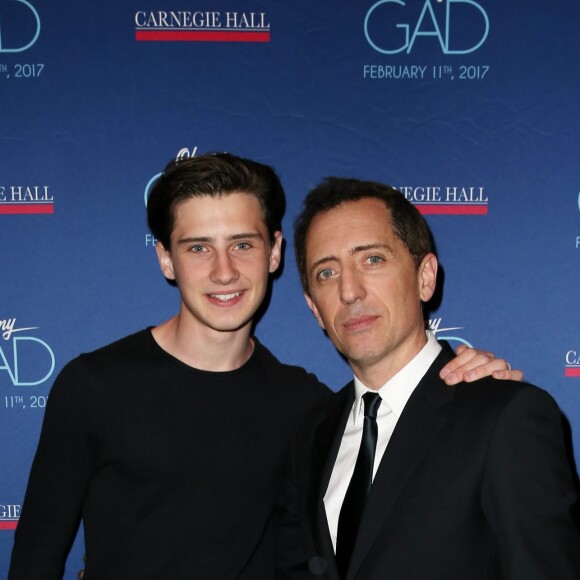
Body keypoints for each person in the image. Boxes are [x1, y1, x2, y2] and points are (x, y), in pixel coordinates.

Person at [9, 154, 519, 579]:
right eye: (198, 248)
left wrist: (467, 379)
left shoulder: (310, 408)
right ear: (166, 259)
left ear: (274, 252)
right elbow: (36, 557)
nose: (224, 270)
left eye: (243, 245)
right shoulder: (94, 386)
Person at [276, 177, 580, 579]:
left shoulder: (505, 418)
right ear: (315, 309)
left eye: (372, 260)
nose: (349, 291)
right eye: (327, 273)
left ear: (425, 277)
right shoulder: (312, 436)